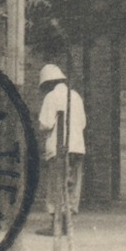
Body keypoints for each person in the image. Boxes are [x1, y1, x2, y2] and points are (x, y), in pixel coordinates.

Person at [38, 64, 86, 235]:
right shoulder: (76, 96)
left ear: (48, 84)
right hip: (77, 147)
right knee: (72, 182)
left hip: (58, 148)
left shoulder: (51, 97)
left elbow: (45, 123)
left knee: (56, 183)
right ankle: (69, 221)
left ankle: (56, 223)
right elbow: (82, 123)